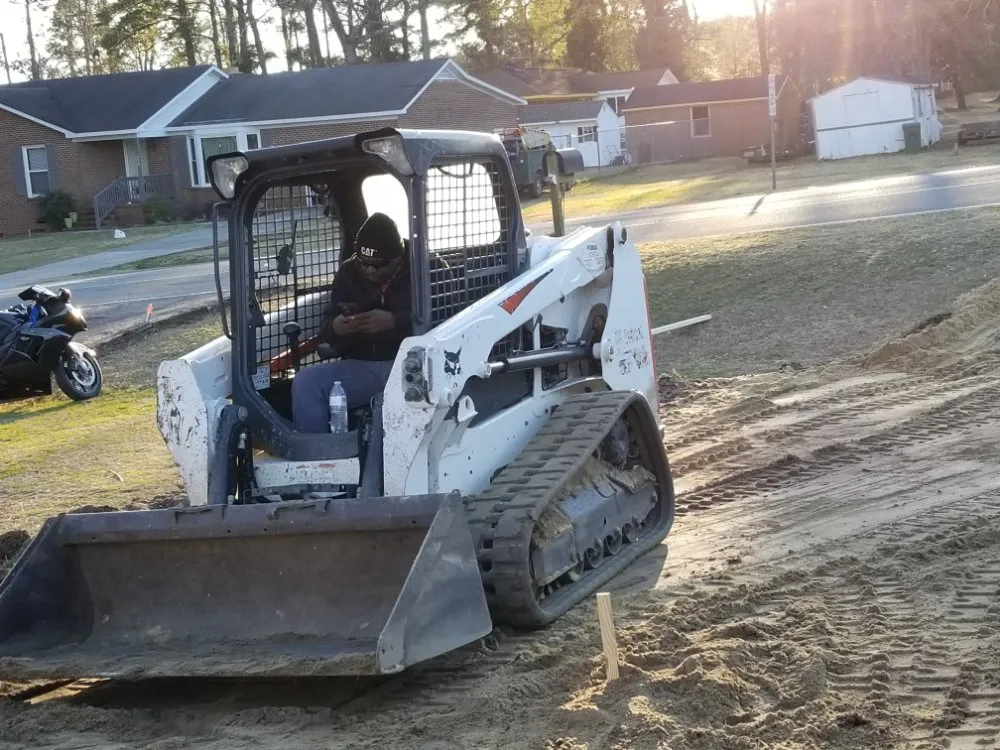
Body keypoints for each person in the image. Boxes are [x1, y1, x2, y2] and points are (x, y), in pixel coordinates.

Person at [291, 212, 411, 433]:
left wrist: (395, 321)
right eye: (364, 263)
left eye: (379, 265)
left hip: (414, 365)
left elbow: (451, 317)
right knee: (306, 383)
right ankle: (319, 456)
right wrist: (337, 327)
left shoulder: (427, 266)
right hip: (362, 366)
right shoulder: (348, 271)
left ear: (399, 256)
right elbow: (326, 328)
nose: (370, 270)